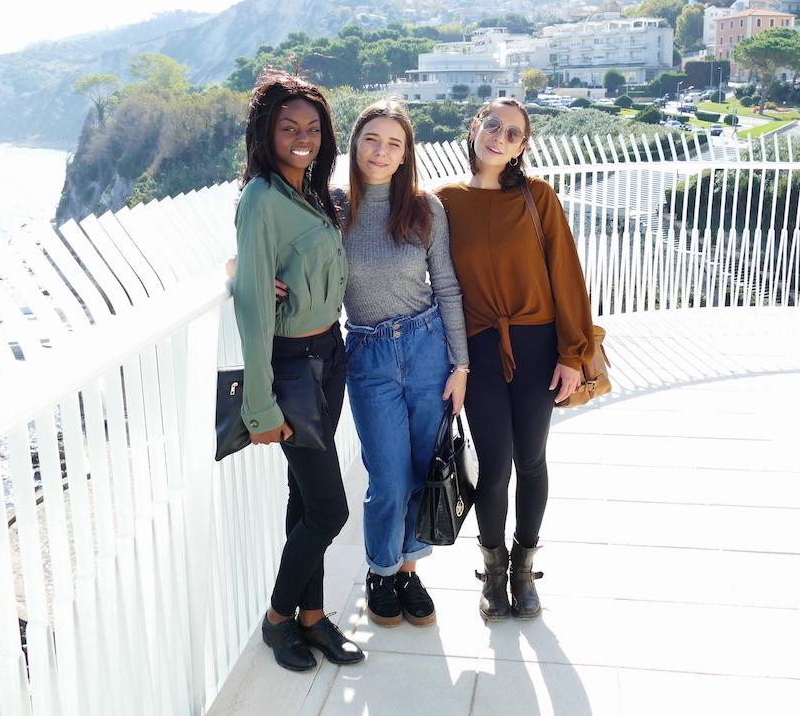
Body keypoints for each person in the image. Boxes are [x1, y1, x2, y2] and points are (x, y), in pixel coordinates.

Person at [436, 98, 594, 621]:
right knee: (495, 463)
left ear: (523, 146)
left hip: (537, 344)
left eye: (513, 133)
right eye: (493, 125)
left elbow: (566, 275)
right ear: (475, 126)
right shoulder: (443, 202)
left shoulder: (537, 197)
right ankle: (493, 573)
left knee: (531, 458)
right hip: (478, 348)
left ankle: (525, 570)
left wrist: (573, 353)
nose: (499, 137)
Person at [232, 70, 364, 672]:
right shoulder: (260, 198)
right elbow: (255, 306)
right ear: (267, 132)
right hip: (291, 367)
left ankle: (311, 619)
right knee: (331, 509)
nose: (302, 137)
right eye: (289, 127)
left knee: (304, 498)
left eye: (311, 127)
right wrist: (258, 405)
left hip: (328, 354)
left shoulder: (311, 190)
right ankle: (279, 619)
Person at [326, 97, 470, 628]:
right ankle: (380, 570)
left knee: (422, 470)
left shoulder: (425, 208)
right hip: (368, 353)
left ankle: (409, 570)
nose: (381, 152)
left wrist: (461, 365)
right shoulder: (333, 207)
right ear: (355, 144)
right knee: (387, 476)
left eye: (394, 143)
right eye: (371, 139)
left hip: (427, 347)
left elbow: (448, 287)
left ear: (407, 152)